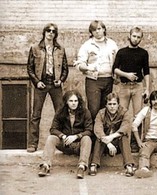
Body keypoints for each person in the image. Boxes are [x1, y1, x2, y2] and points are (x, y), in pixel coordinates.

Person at [27, 23, 69, 152]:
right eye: (48, 31)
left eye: (53, 31)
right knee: (36, 115)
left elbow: (65, 68)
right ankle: (32, 144)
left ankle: (62, 143)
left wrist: (61, 80)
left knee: (61, 113)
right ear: (44, 32)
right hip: (41, 84)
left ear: (56, 34)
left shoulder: (60, 49)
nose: (51, 33)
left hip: (55, 84)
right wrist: (37, 82)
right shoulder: (35, 48)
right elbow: (30, 68)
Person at [37, 90, 93, 179]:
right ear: (66, 102)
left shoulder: (85, 112)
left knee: (87, 138)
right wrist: (63, 136)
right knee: (51, 138)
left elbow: (89, 130)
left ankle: (81, 167)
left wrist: (76, 136)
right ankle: (45, 165)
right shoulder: (60, 112)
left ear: (79, 102)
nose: (73, 103)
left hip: (78, 145)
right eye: (71, 101)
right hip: (65, 143)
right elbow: (53, 129)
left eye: (76, 101)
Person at [112, 27, 150, 152]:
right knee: (121, 114)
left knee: (138, 116)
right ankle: (121, 142)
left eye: (139, 37)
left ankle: (135, 143)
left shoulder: (143, 53)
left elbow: (147, 72)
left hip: (138, 87)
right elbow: (115, 69)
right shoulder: (122, 52)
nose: (136, 39)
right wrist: (127, 75)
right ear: (129, 36)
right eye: (134, 36)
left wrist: (147, 89)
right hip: (124, 87)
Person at [74, 20, 118, 123]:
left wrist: (117, 76)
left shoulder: (112, 44)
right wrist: (88, 68)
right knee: (94, 110)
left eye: (99, 29)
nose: (97, 32)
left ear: (104, 29)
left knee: (107, 109)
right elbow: (79, 64)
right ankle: (92, 137)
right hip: (93, 80)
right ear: (91, 32)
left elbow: (118, 61)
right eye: (94, 30)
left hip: (108, 79)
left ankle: (103, 136)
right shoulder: (87, 45)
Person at [89, 93, 135, 176]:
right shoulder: (101, 113)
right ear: (106, 105)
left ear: (118, 104)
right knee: (99, 138)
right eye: (109, 104)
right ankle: (94, 164)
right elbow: (97, 129)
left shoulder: (124, 112)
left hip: (118, 144)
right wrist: (108, 143)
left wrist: (111, 137)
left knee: (123, 137)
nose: (112, 106)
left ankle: (129, 165)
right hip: (105, 144)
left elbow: (125, 127)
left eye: (114, 104)